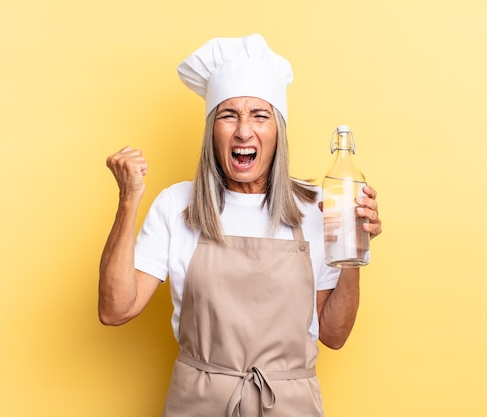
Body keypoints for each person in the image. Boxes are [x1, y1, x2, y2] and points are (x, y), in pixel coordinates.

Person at [98, 34, 382, 417]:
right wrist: (129, 199)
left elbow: (334, 335)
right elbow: (115, 310)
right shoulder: (176, 205)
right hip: (198, 405)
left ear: (278, 130)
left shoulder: (317, 206)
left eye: (260, 115)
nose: (244, 131)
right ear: (211, 131)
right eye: (228, 115)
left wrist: (354, 247)